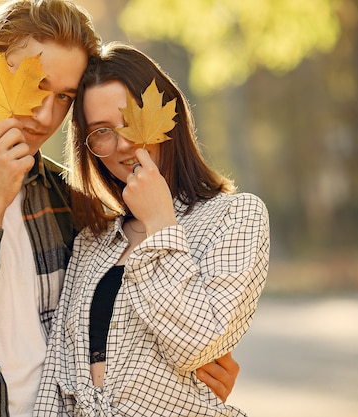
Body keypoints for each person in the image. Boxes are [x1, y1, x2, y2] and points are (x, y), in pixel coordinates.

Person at [0, 1, 239, 416]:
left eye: (63, 97)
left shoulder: (72, 199)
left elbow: (114, 333)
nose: (45, 115)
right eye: (34, 85)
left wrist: (193, 373)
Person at [34, 42, 270, 416]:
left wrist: (161, 224)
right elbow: (57, 377)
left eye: (132, 120)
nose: (124, 144)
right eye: (101, 132)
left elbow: (195, 344)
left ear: (168, 115)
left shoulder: (235, 217)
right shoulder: (92, 241)